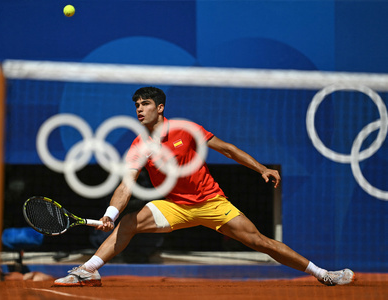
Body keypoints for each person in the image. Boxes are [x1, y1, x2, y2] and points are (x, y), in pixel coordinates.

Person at [54, 87, 354, 287]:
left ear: (160, 108)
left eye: (144, 104)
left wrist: (262, 168)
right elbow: (125, 184)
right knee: (130, 221)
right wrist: (111, 213)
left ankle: (322, 274)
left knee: (260, 242)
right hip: (174, 206)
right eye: (136, 105)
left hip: (212, 203)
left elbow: (228, 149)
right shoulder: (139, 145)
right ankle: (89, 270)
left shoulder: (187, 130)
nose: (139, 109)